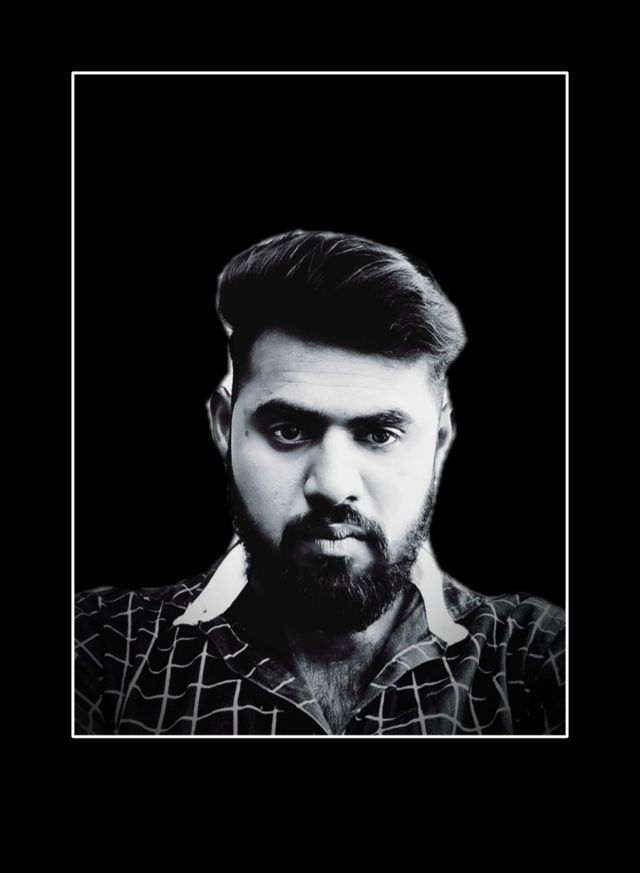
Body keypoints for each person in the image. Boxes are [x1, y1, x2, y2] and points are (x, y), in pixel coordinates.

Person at [74, 229, 565, 736]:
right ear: (224, 427)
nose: (332, 485)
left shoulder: (536, 660)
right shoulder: (104, 651)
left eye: (380, 434)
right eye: (288, 431)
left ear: (439, 439)